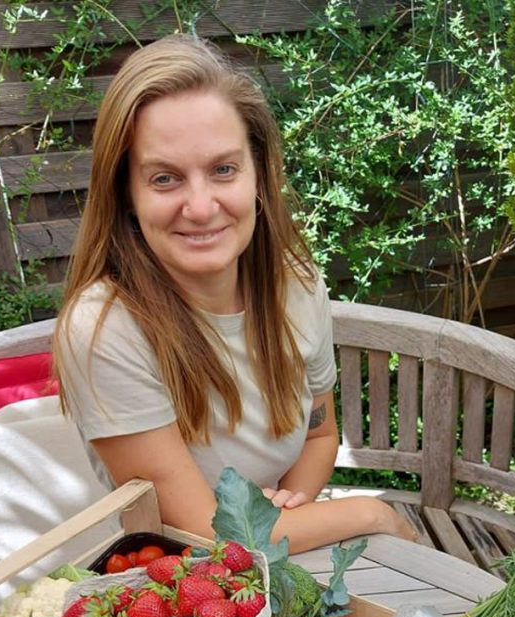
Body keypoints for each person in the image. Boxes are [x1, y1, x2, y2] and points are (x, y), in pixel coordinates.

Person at [51, 35, 416, 551]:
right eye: (165, 179)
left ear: (258, 176)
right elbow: (202, 534)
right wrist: (372, 513)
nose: (200, 207)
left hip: (279, 551)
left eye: (223, 169)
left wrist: (282, 512)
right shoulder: (105, 329)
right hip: (183, 588)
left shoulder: (296, 283)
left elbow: (317, 434)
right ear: (126, 195)